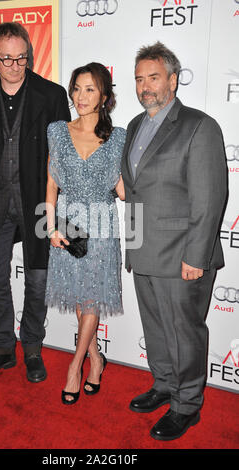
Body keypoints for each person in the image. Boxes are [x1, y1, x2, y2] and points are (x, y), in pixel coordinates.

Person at [121, 42, 227, 440]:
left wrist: (196, 256)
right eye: (139, 79)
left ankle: (187, 406)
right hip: (143, 253)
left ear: (173, 80)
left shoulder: (199, 126)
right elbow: (133, 191)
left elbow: (210, 198)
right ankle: (164, 385)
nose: (145, 86)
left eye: (153, 77)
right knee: (157, 330)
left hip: (183, 256)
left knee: (185, 334)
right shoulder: (133, 125)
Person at [0, 22, 71, 383]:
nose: (13, 65)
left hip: (39, 203)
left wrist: (58, 211)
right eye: (6, 58)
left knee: (38, 280)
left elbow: (63, 158)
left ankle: (32, 349)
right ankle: (1, 348)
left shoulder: (52, 95)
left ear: (30, 54)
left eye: (21, 57)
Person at [45, 63, 126, 404]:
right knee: (81, 299)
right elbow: (51, 183)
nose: (80, 96)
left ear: (104, 96)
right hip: (68, 223)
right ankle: (96, 358)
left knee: (91, 298)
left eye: (90, 89)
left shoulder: (119, 136)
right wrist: (49, 226)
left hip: (103, 225)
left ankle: (74, 367)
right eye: (76, 88)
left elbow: (123, 188)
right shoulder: (57, 131)